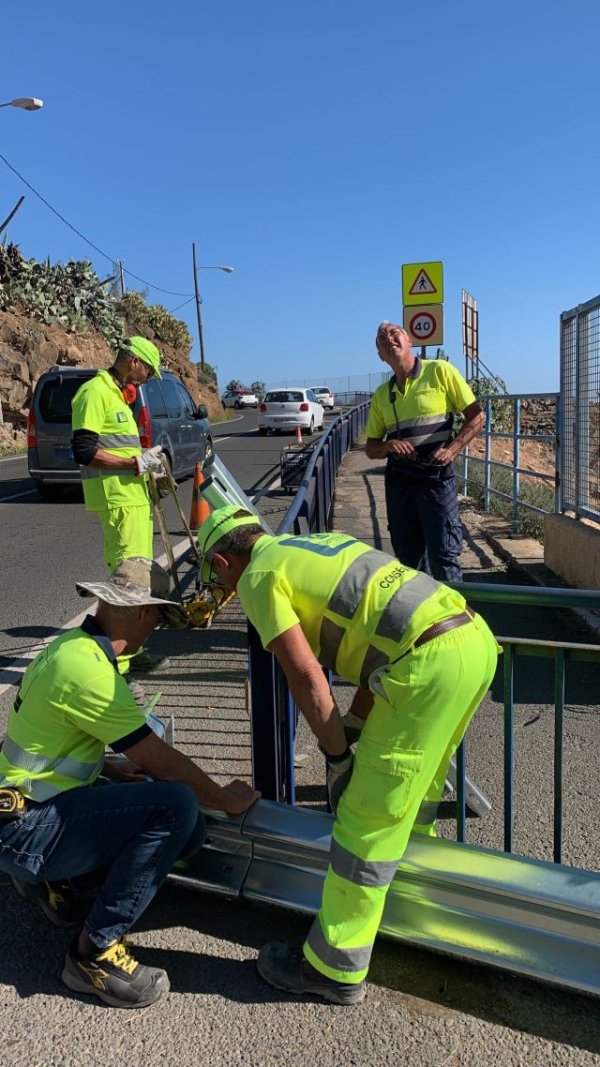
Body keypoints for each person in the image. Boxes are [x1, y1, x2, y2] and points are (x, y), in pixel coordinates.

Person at [197, 506, 499, 1006]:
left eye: (215, 573)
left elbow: (305, 675)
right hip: (470, 641)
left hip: (425, 665)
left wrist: (336, 757)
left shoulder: (258, 577)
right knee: (416, 797)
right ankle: (407, 911)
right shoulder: (317, 544)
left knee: (365, 821)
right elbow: (375, 644)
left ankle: (333, 966)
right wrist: (354, 726)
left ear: (224, 561)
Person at [0, 557, 259, 1009]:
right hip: (26, 829)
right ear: (142, 612)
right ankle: (92, 953)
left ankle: (57, 882)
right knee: (175, 808)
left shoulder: (68, 649)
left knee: (189, 829)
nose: (154, 630)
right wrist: (226, 799)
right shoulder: (92, 673)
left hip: (20, 807)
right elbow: (166, 766)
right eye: (157, 618)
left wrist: (108, 768)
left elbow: (50, 743)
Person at [71, 335, 167, 672]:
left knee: (139, 581)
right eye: (147, 372)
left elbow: (118, 447)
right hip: (117, 502)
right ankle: (121, 664)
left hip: (133, 500)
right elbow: (83, 452)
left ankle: (132, 654)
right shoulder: (94, 392)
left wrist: (144, 462)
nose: (146, 380)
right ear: (134, 362)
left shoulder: (117, 395)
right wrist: (134, 464)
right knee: (127, 583)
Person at [365, 322, 484, 582]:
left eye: (394, 333)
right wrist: (387, 445)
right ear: (380, 355)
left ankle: (454, 620)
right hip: (400, 485)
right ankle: (421, 620)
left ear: (409, 341)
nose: (389, 339)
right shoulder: (381, 395)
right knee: (408, 562)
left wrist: (451, 450)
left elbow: (477, 416)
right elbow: (371, 448)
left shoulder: (440, 371)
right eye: (382, 339)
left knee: (444, 557)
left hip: (436, 482)